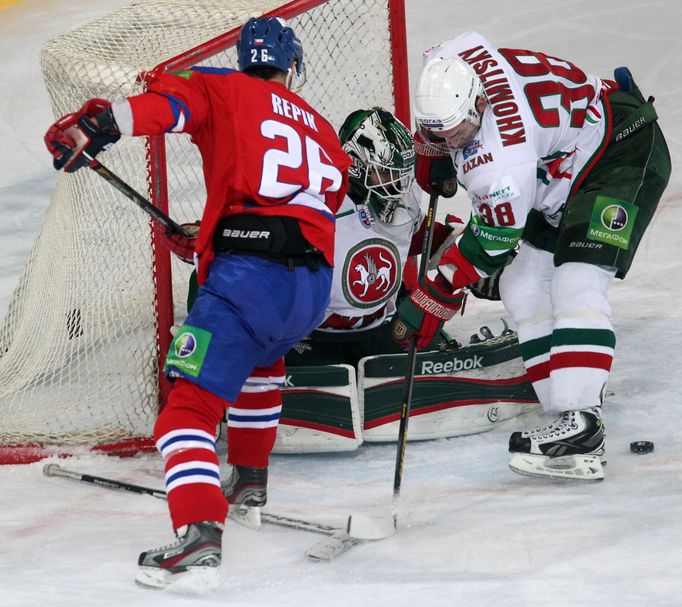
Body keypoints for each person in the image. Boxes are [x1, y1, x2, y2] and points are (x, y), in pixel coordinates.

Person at [45, 16, 350, 588]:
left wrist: (99, 125)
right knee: (262, 360)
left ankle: (199, 532)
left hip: (248, 282)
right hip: (309, 290)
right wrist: (213, 237)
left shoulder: (220, 85)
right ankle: (249, 479)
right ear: (293, 65)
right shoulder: (322, 128)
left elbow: (164, 110)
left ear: (244, 59)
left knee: (185, 410)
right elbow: (300, 210)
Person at [393, 31, 671, 482]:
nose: (455, 142)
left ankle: (582, 427)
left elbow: (495, 240)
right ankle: (566, 409)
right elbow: (439, 94)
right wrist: (433, 145)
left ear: (478, 105)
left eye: (459, 133)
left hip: (621, 150)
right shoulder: (452, 66)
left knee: (577, 278)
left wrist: (436, 291)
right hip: (562, 164)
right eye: (442, 132)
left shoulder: (500, 160)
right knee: (521, 283)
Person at [285, 106, 463, 368]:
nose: (398, 184)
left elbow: (415, 240)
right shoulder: (319, 203)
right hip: (316, 336)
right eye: (386, 173)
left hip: (380, 328)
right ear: (355, 165)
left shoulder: (402, 202)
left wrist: (460, 252)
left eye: (401, 173)